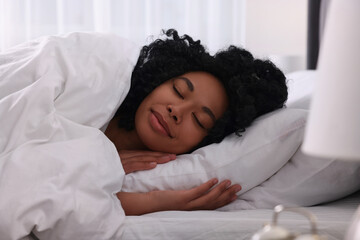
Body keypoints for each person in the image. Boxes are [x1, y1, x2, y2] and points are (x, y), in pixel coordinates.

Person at [104, 29, 288, 215]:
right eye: (178, 90)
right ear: (158, 80)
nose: (176, 111)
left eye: (198, 120)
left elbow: (86, 201)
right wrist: (97, 160)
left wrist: (157, 201)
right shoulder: (100, 94)